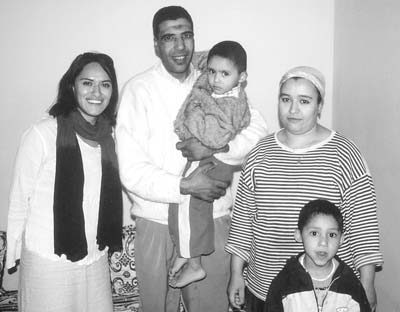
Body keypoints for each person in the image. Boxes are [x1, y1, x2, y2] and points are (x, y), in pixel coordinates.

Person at [115, 6, 268, 312]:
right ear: (156, 45)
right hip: (156, 221)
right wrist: (185, 185)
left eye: (186, 35)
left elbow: (258, 134)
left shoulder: (215, 78)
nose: (180, 45)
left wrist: (215, 149)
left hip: (213, 219)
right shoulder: (139, 90)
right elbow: (131, 171)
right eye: (168, 38)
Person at [226, 66, 383, 312]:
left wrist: (367, 283)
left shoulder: (344, 154)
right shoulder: (260, 153)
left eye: (305, 101)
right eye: (286, 99)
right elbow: (243, 220)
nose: (293, 109)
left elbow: (363, 226)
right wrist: (236, 273)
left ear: (319, 106)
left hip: (328, 295)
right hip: (264, 288)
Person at [6, 52, 123, 312]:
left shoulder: (110, 137)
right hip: (49, 261)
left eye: (105, 84)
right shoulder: (42, 134)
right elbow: (18, 200)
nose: (96, 92)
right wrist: (11, 258)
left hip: (94, 257)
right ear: (72, 86)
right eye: (87, 82)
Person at [169, 40, 250, 288]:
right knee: (184, 209)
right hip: (209, 161)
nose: (215, 78)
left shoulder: (231, 103)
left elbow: (213, 138)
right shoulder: (224, 89)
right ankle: (186, 253)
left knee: (188, 209)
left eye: (225, 74)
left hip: (213, 164)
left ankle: (195, 265)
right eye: (212, 72)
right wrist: (197, 59)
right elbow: (202, 59)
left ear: (242, 77)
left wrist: (196, 105)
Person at [265, 199, 371, 312]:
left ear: (341, 239)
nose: (323, 242)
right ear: (299, 235)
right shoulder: (284, 282)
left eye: (332, 234)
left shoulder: (350, 283)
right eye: (314, 233)